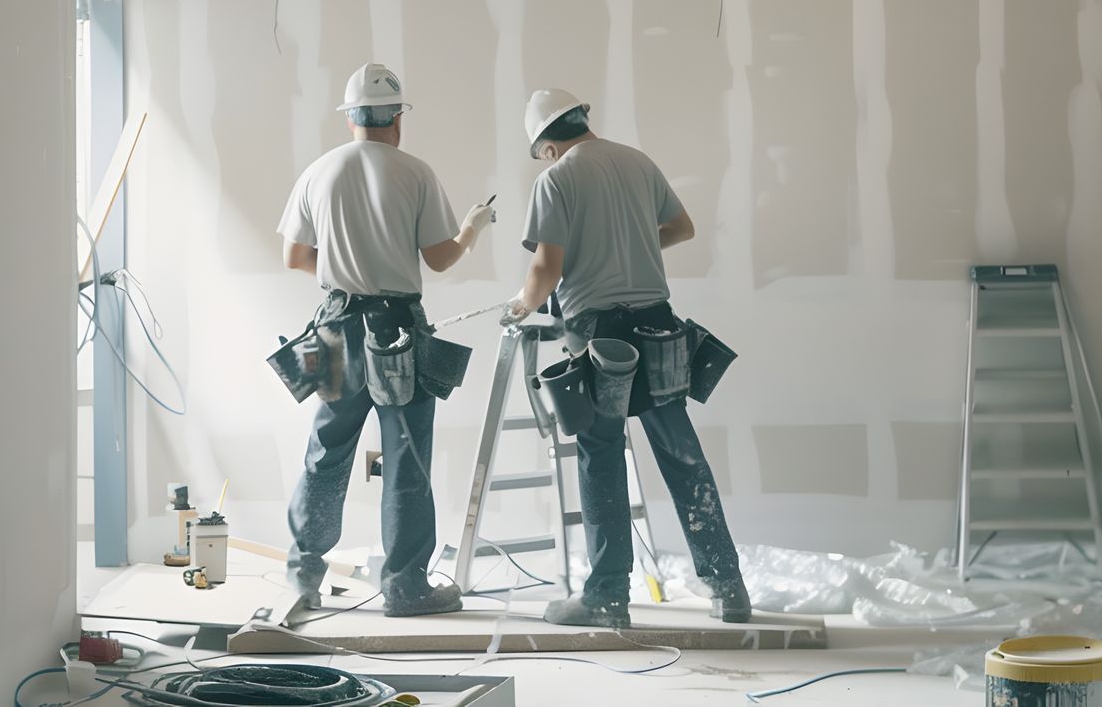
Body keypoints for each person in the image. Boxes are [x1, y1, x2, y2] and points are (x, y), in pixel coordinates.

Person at [502, 89, 750, 629]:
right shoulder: (637, 162)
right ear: (582, 119)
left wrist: (522, 304)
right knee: (682, 454)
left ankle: (608, 597)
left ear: (545, 145)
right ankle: (728, 588)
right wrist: (629, 245)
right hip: (658, 321)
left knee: (601, 455)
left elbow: (546, 270)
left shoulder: (556, 179)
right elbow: (681, 228)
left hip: (598, 333)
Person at [278, 63, 494, 617]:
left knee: (326, 453)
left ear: (351, 117)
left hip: (335, 327)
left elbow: (295, 257)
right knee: (405, 456)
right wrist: (473, 226)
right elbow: (440, 258)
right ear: (398, 119)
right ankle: (405, 588)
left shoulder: (318, 172)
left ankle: (304, 578)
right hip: (398, 326)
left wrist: (345, 279)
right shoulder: (415, 173)